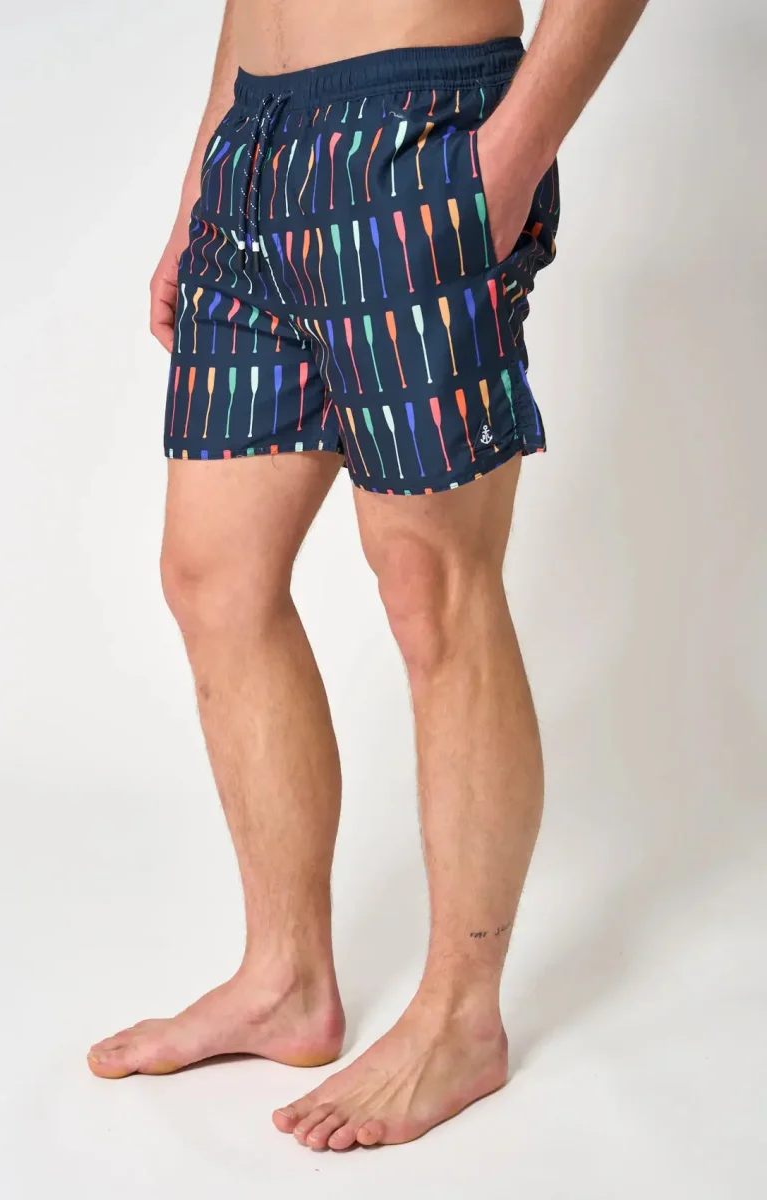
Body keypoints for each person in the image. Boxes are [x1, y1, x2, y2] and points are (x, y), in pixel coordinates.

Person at [88, 0, 648, 1150]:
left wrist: (511, 152)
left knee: (430, 587)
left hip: (416, 132)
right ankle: (283, 979)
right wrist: (201, 183)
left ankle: (461, 1020)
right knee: (211, 578)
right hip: (254, 152)